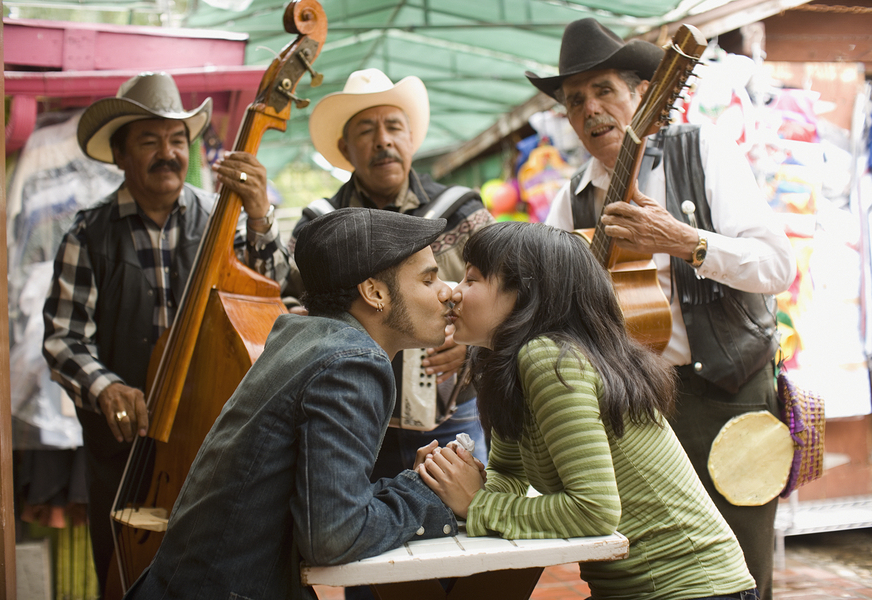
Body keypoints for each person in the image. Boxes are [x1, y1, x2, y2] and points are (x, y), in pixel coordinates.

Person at [524, 19, 796, 599]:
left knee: (739, 572)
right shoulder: (567, 200)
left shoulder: (704, 150)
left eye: (604, 91)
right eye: (576, 101)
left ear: (643, 94)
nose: (591, 109)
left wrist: (684, 239)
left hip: (726, 395)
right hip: (636, 410)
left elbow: (778, 266)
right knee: (642, 572)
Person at [124, 208, 460, 599]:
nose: (447, 289)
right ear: (375, 293)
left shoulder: (306, 337)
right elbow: (333, 536)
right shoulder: (353, 363)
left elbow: (330, 511)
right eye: (428, 278)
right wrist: (431, 497)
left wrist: (416, 485)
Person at [42, 72, 290, 595]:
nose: (168, 153)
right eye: (150, 140)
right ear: (119, 154)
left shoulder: (221, 217)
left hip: (212, 442)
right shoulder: (88, 233)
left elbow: (281, 290)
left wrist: (261, 216)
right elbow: (63, 339)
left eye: (177, 140)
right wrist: (105, 386)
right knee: (123, 573)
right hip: (126, 451)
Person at [417, 221, 759, 600]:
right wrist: (456, 479)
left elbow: (594, 511)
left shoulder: (548, 358)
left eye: (472, 279)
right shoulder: (510, 366)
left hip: (692, 589)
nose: (454, 293)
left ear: (523, 294)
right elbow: (508, 474)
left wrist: (479, 504)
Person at [290, 69, 494, 476]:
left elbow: (504, 296)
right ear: (345, 148)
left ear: (410, 140)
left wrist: (472, 348)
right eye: (366, 130)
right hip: (350, 418)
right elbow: (291, 306)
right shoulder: (318, 227)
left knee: (464, 528)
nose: (383, 139)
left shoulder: (462, 211)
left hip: (453, 418)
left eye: (393, 127)